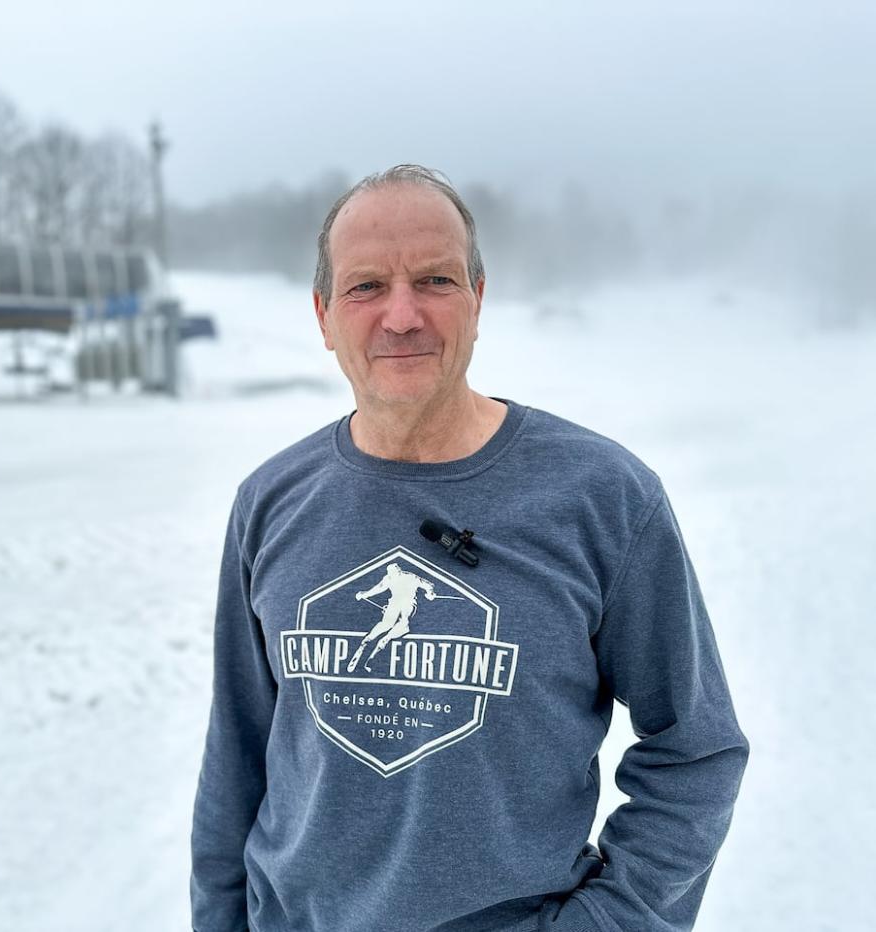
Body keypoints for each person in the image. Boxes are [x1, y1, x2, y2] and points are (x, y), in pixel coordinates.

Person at [190, 164, 749, 932]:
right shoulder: (272, 502)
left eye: (435, 280)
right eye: (364, 288)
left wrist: (612, 921)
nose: (401, 315)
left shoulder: (604, 497)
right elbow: (237, 757)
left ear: (478, 300)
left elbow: (697, 745)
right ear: (322, 315)